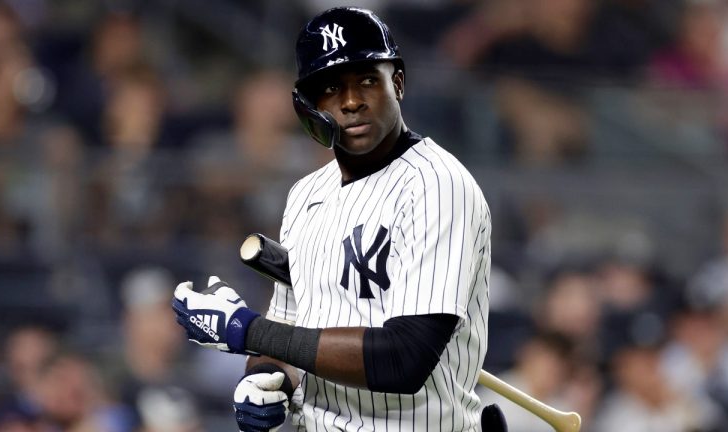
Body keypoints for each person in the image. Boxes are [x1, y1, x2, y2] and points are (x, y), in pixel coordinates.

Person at [171, 7, 496, 431]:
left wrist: (248, 332)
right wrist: (265, 381)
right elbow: (290, 329)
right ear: (309, 105)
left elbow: (405, 358)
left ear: (396, 83)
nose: (350, 101)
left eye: (366, 80)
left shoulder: (437, 185)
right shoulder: (306, 195)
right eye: (330, 87)